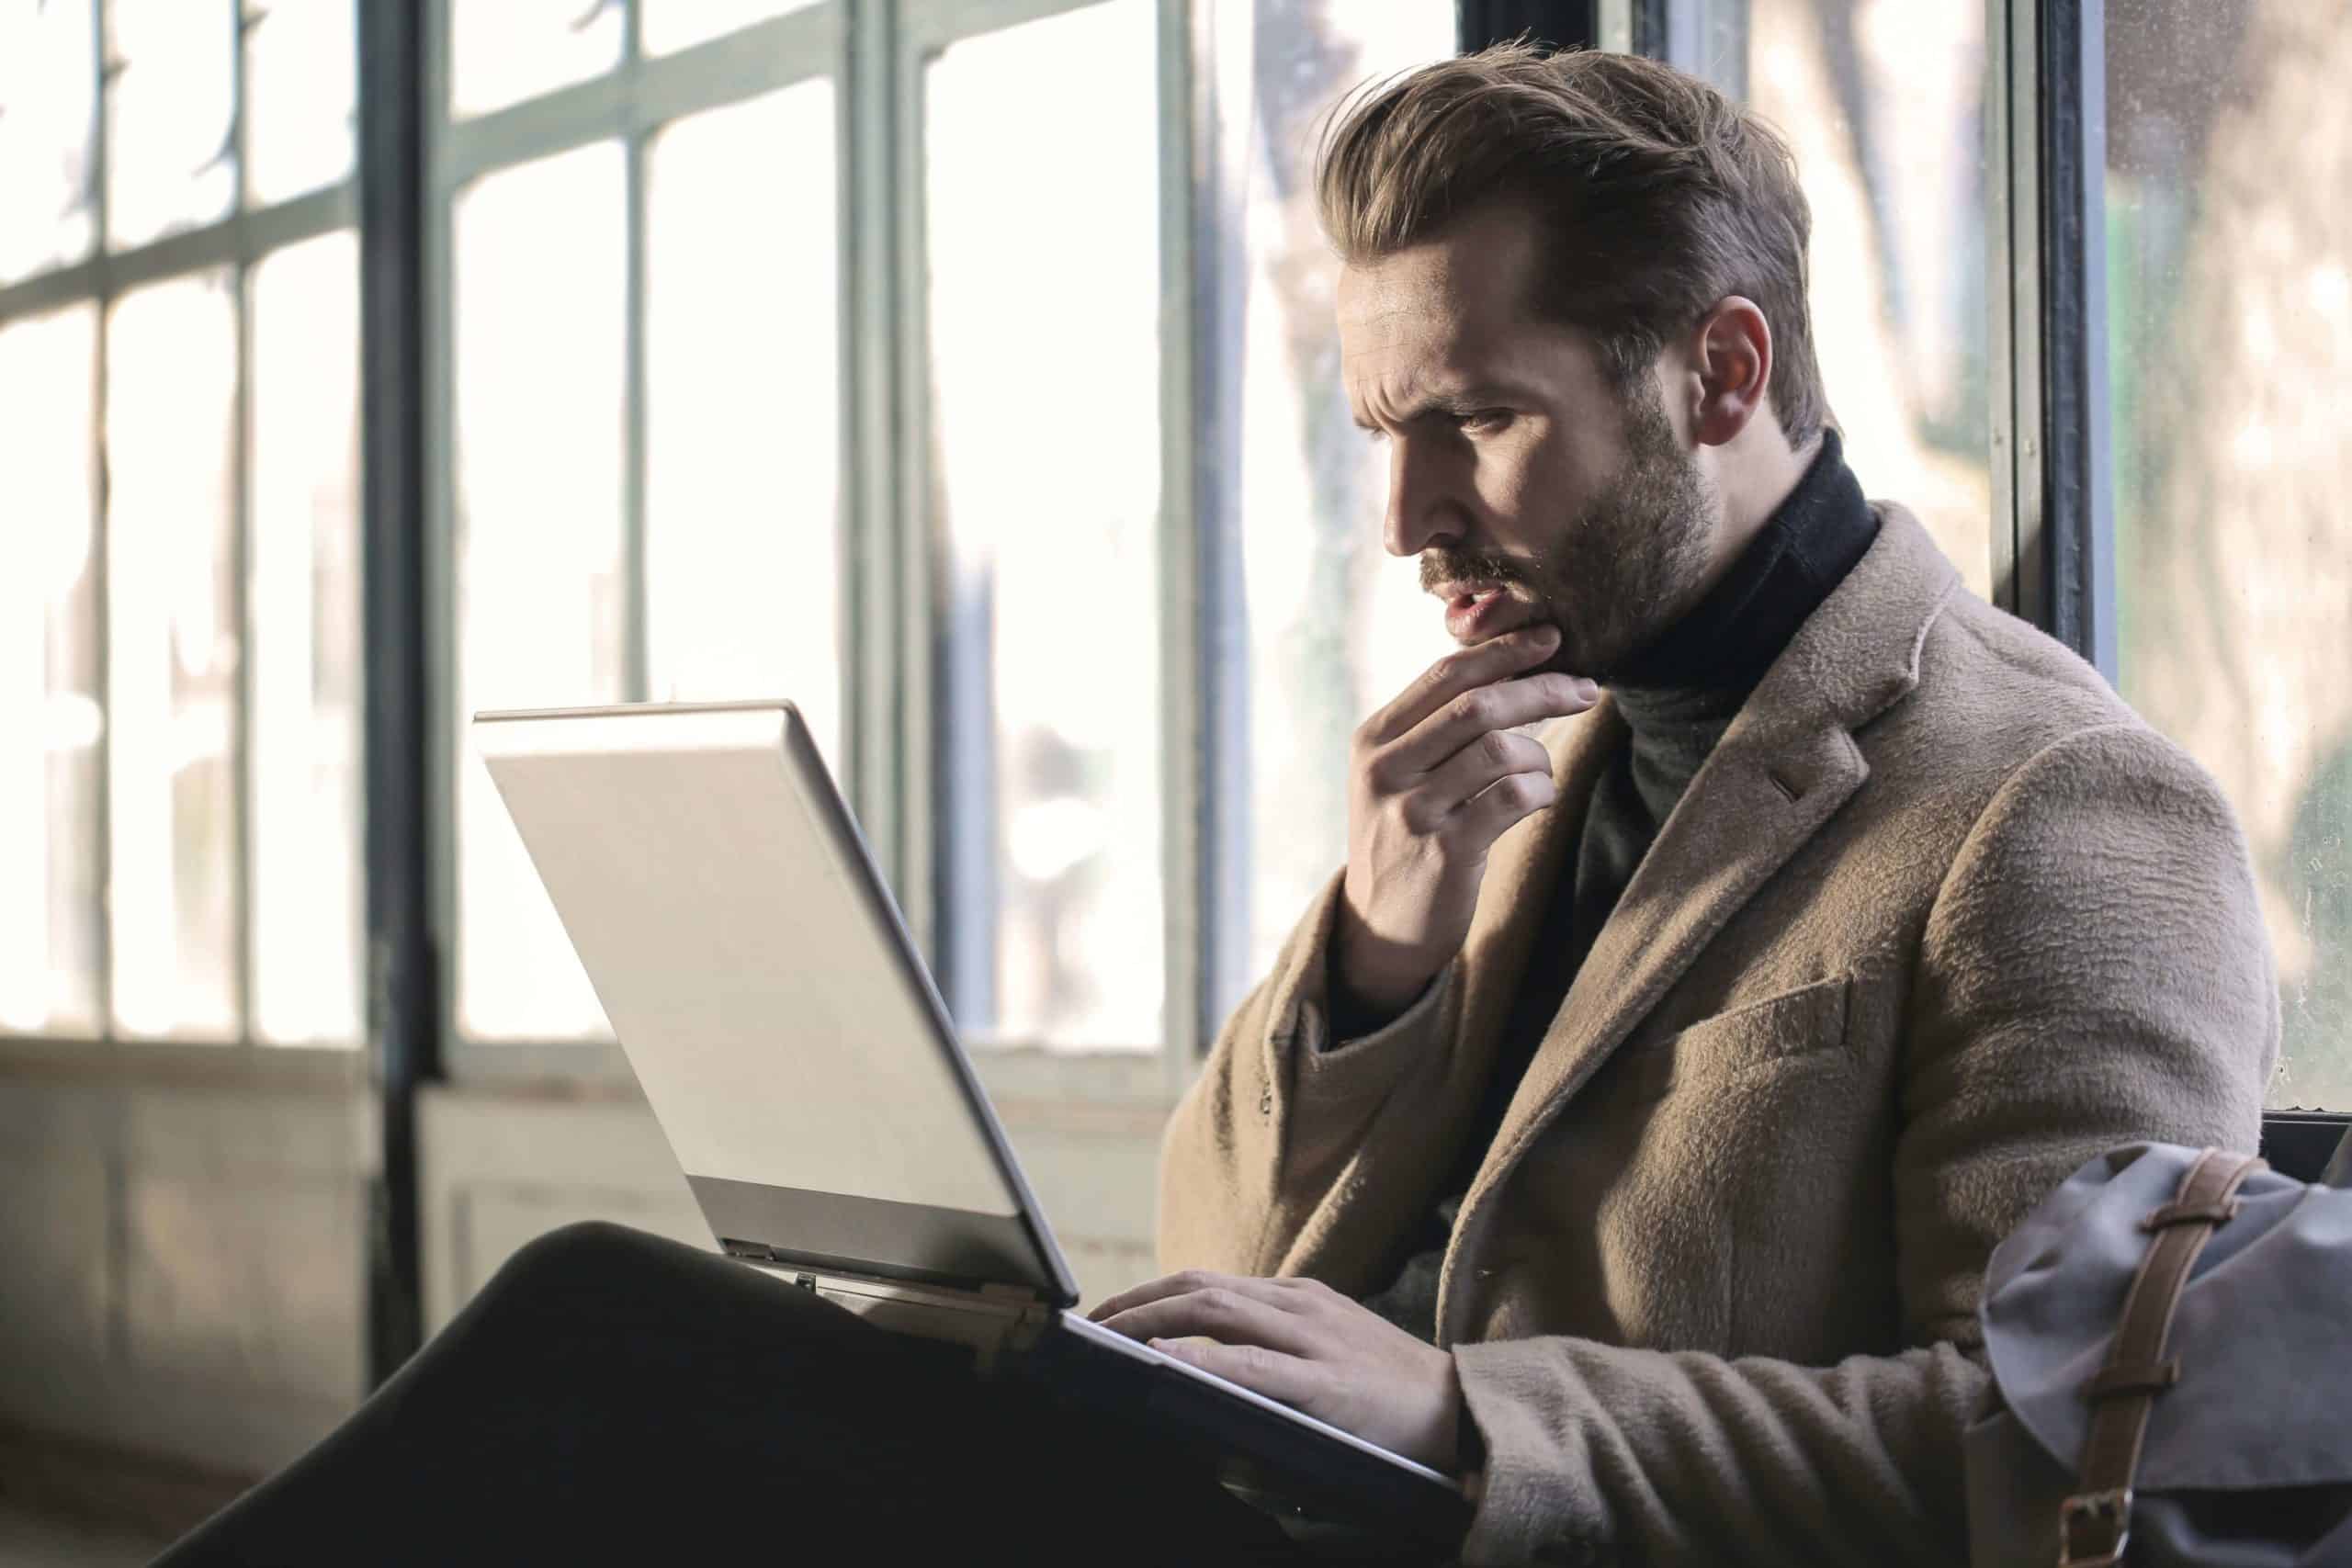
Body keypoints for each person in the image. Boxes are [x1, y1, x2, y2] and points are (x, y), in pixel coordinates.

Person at [154, 42, 2275, 1568]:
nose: (1405, 518)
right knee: (613, 1338)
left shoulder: (2057, 807)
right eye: (1380, 428)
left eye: (1472, 420)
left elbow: (2055, 1455)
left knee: (608, 1355)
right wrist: (1369, 955)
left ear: (1720, 377)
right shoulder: (1524, 731)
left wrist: (1459, 1414)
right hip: (1252, 1505)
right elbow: (1218, 1257)